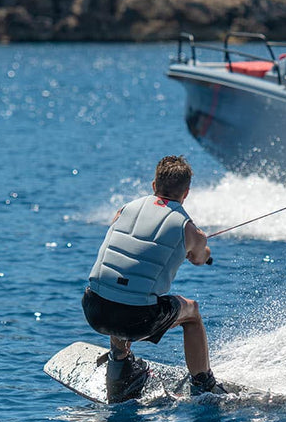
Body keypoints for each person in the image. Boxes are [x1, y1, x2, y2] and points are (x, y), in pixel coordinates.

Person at [82, 155, 226, 401]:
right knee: (191, 312)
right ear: (187, 192)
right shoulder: (189, 229)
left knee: (121, 283)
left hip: (94, 309)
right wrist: (200, 246)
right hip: (137, 319)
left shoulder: (124, 210)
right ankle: (203, 383)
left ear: (153, 185)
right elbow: (200, 257)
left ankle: (120, 366)